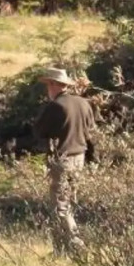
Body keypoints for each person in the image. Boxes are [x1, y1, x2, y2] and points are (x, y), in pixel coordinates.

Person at [31, 68, 96, 252]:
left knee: (60, 207)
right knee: (69, 204)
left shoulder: (55, 107)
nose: (47, 89)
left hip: (62, 159)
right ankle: (61, 249)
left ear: (53, 85)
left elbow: (38, 131)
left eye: (48, 85)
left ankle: (76, 245)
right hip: (80, 158)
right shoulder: (84, 103)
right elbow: (91, 129)